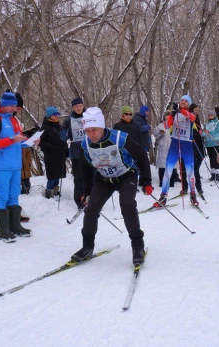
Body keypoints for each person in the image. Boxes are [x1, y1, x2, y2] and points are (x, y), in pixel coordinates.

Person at [72, 107, 153, 265]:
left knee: (127, 205)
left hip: (126, 175)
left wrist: (146, 180)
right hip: (103, 179)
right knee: (91, 209)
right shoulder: (85, 145)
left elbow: (142, 156)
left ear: (102, 127)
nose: (91, 135)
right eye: (87, 131)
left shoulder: (120, 138)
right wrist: (86, 191)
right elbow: (85, 169)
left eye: (94, 130)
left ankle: (137, 246)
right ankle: (87, 246)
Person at [0, 91, 32, 242]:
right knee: (1, 196)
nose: (14, 109)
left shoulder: (13, 120)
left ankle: (15, 226)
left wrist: (30, 141)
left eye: (15, 106)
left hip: (15, 165)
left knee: (13, 196)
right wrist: (12, 139)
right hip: (2, 165)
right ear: (4, 105)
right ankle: (3, 230)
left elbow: (17, 140)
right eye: (12, 106)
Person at [154, 95, 199, 207]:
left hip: (187, 146)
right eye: (181, 100)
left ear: (189, 103)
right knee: (167, 171)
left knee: (190, 172)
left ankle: (193, 195)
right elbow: (166, 125)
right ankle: (163, 196)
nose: (183, 102)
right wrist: (172, 115)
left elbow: (190, 117)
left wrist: (179, 110)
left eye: (185, 101)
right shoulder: (175, 114)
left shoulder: (191, 114)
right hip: (174, 144)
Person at [36, 107, 67, 199]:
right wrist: (51, 147)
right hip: (50, 155)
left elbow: (63, 139)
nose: (57, 116)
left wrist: (66, 150)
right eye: (55, 114)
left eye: (58, 114)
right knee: (52, 175)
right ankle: (49, 192)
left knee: (58, 174)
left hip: (60, 154)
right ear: (50, 116)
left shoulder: (59, 126)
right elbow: (40, 141)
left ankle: (56, 190)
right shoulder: (45, 127)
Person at [62, 97, 86, 210]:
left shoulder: (89, 117)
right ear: (73, 108)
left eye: (80, 106)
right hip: (76, 151)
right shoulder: (68, 120)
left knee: (92, 176)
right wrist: (62, 130)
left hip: (90, 150)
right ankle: (79, 200)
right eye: (76, 106)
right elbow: (63, 137)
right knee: (79, 178)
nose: (78, 108)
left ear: (83, 106)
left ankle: (91, 198)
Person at [181, 103, 205, 195]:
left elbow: (196, 130)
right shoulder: (179, 121)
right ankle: (184, 187)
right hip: (183, 146)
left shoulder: (193, 120)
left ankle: (198, 187)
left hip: (192, 146)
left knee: (195, 167)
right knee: (183, 168)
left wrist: (197, 133)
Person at [153, 116, 180, 187]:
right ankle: (162, 183)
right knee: (162, 166)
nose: (167, 120)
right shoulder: (160, 126)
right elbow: (155, 135)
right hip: (163, 149)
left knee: (172, 166)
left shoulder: (175, 125)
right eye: (166, 119)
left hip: (172, 148)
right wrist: (160, 133)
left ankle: (171, 183)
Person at [201, 110, 219, 181]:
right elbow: (203, 133)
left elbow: (217, 131)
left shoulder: (218, 123)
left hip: (215, 142)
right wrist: (203, 133)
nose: (210, 116)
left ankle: (217, 174)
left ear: (214, 116)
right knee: (211, 159)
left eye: (212, 115)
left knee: (215, 158)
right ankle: (213, 174)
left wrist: (208, 132)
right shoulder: (206, 124)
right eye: (209, 115)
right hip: (208, 143)